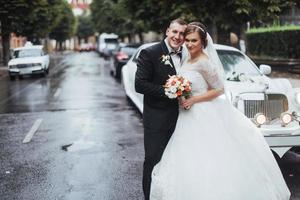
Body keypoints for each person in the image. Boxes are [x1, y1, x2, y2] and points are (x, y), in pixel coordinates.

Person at [150, 22, 291, 200]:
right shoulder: (187, 58)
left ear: (203, 42)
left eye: (194, 40)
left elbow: (219, 89)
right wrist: (179, 92)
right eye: (187, 40)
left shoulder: (204, 62)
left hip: (202, 114)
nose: (189, 44)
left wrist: (193, 99)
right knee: (188, 160)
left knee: (208, 158)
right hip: (186, 116)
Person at [135, 18, 187, 200]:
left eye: (182, 33)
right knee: (153, 161)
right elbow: (140, 84)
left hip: (184, 120)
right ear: (167, 31)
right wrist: (169, 91)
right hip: (157, 119)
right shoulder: (149, 53)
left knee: (177, 163)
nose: (178, 37)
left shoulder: (188, 54)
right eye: (175, 32)